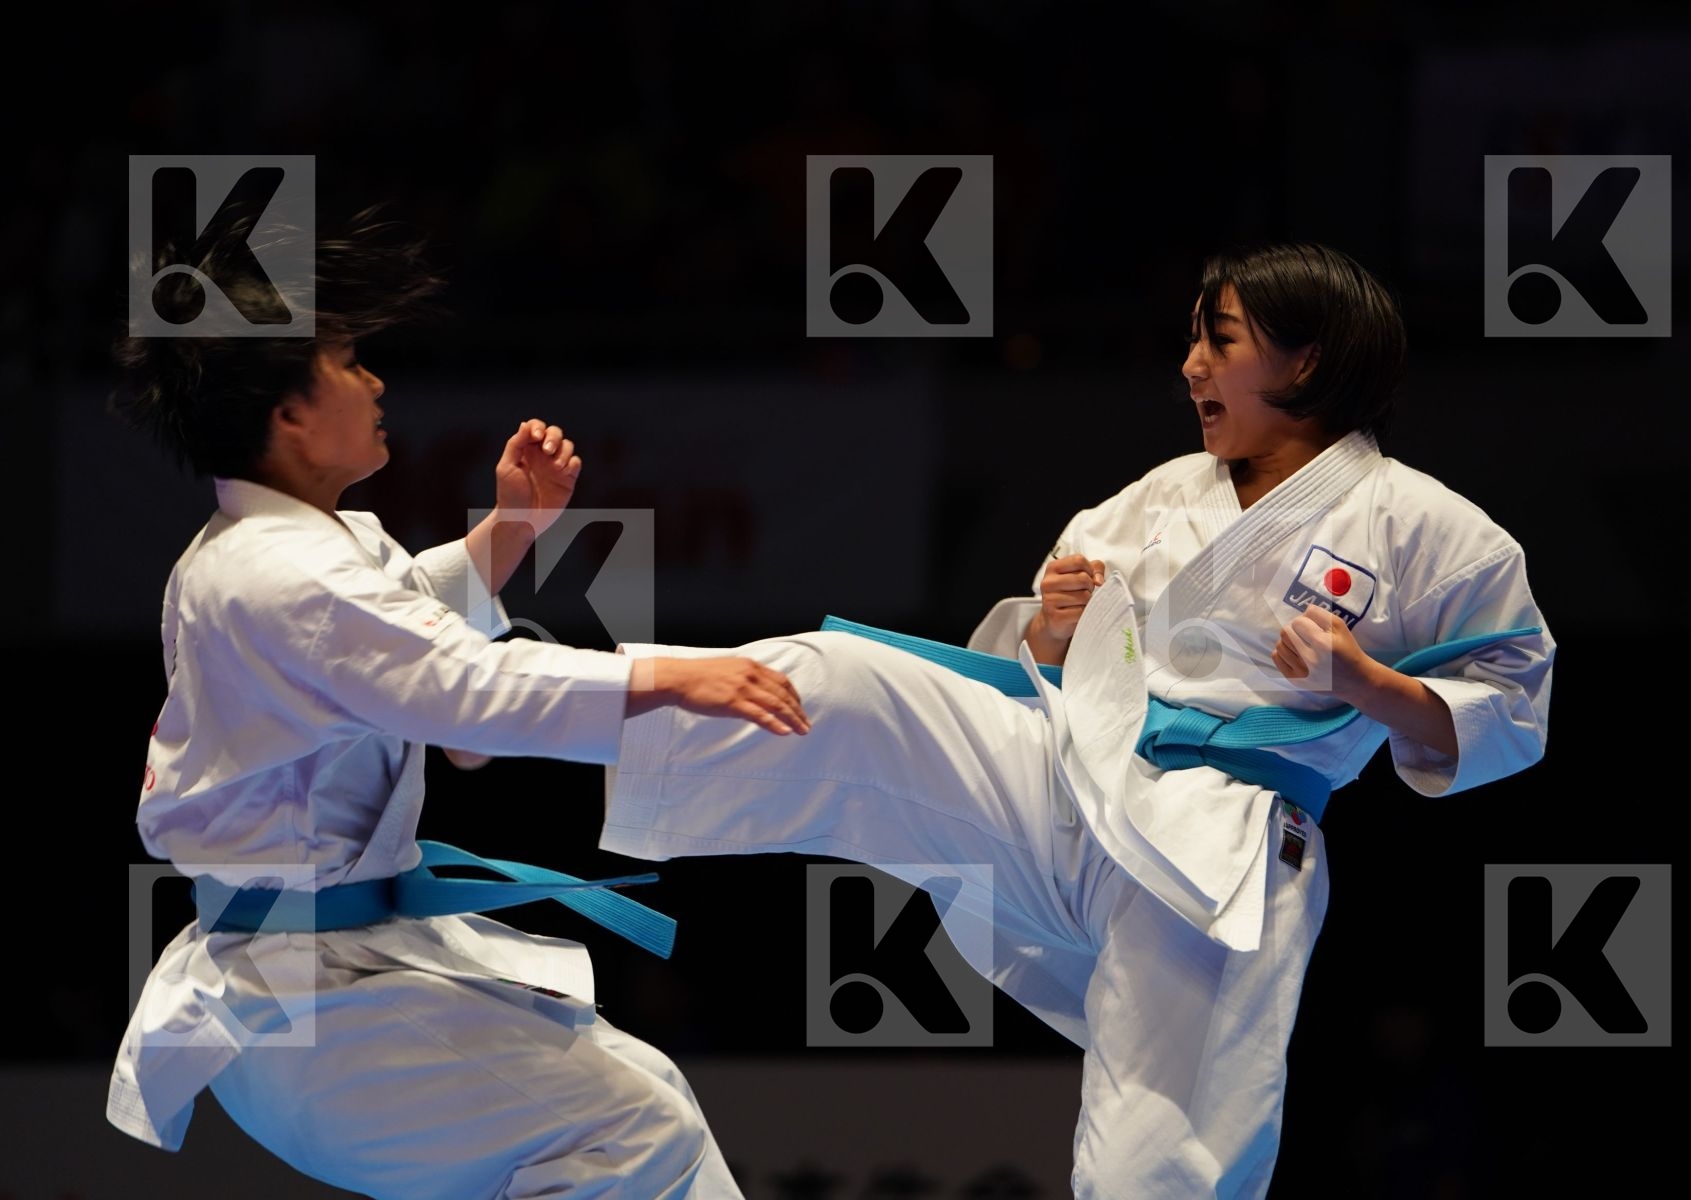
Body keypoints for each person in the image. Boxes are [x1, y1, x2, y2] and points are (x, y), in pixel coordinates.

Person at [593, 242, 1556, 1198]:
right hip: (1074, 784)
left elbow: (1514, 702)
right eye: (1193, 342)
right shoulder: (1158, 498)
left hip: (1221, 844)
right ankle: (590, 716)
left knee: (1157, 1163)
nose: (1190, 368)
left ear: (1305, 362)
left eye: (1218, 342)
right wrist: (1051, 633)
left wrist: (1368, 684)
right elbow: (1038, 672)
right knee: (849, 679)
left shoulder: (1426, 527)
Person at [107, 207, 808, 1199]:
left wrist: (511, 532)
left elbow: (398, 636)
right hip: (306, 1003)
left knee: (640, 1098)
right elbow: (455, 687)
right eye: (351, 364)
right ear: (290, 414)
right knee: (631, 1128)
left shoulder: (301, 551)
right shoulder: (276, 569)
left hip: (333, 973)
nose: (376, 382)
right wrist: (665, 673)